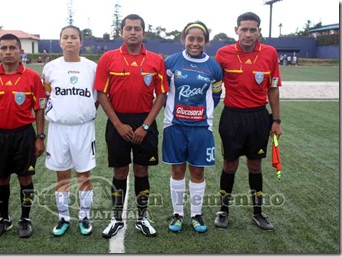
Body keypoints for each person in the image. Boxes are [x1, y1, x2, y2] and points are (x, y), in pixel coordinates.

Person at [93, 14, 169, 238]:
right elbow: (102, 94)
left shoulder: (156, 60)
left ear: (143, 32)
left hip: (145, 122)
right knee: (120, 170)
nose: (133, 32)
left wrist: (145, 126)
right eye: (128, 28)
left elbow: (161, 94)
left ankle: (142, 218)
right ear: (121, 32)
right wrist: (117, 124)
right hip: (118, 122)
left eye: (137, 28)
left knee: (141, 170)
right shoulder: (108, 58)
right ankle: (116, 219)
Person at [214, 12, 282, 231]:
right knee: (230, 165)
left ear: (259, 32)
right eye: (244, 29)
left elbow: (273, 88)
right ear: (236, 31)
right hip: (232, 116)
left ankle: (258, 212)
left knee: (255, 165)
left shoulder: (270, 53)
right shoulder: (223, 53)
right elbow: (212, 86)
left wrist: (276, 120)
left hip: (258, 117)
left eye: (253, 30)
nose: (248, 34)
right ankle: (223, 211)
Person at [0, 33, 46, 238]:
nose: (8, 52)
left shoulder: (32, 77)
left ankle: (25, 219)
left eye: (12, 48)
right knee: (2, 179)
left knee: (25, 177)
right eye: (4, 48)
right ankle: (4, 220)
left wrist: (40, 137)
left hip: (24, 135)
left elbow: (39, 109)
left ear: (21, 52)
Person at [162, 21, 223, 233]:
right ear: (184, 39)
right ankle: (177, 213)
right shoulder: (171, 62)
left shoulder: (214, 67)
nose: (195, 43)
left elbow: (216, 95)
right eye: (191, 38)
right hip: (175, 125)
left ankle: (196, 214)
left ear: (205, 41)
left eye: (200, 39)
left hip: (201, 128)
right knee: (177, 169)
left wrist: (202, 114)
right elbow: (162, 93)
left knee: (197, 171)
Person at [42, 25, 98, 237]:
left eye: (74, 37)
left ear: (80, 42)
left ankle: (85, 217)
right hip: (58, 129)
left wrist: (87, 112)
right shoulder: (50, 68)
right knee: (62, 177)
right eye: (65, 37)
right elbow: (47, 96)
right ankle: (63, 218)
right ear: (60, 41)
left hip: (83, 129)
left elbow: (97, 97)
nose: (69, 41)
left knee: (84, 175)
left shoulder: (92, 67)